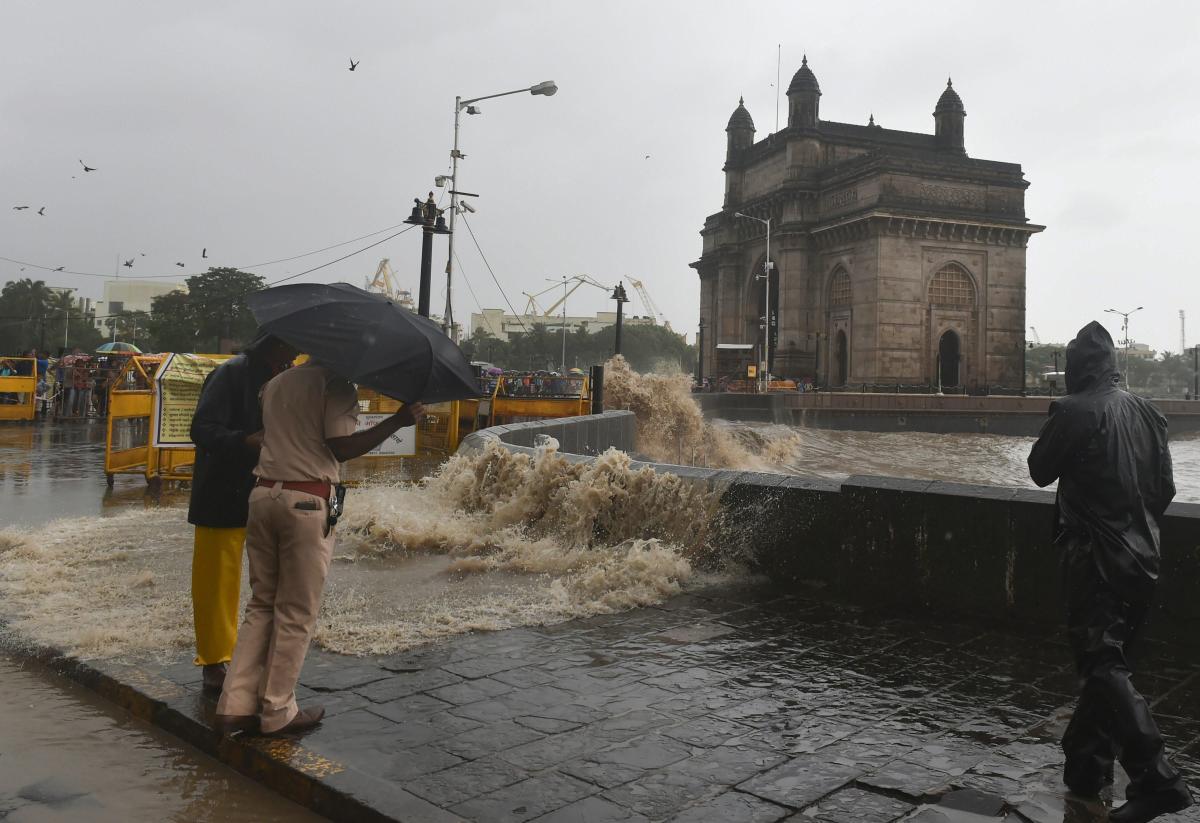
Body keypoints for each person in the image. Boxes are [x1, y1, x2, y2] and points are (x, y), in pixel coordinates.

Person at [1028, 321, 1193, 823]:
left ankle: (1156, 778)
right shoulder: (1149, 412)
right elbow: (1163, 489)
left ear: (1078, 368)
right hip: (1144, 557)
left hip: (1094, 558)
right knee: (1111, 670)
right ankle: (1087, 768)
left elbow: (1039, 468)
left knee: (1102, 666)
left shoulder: (1075, 409)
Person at [215, 360, 423, 736]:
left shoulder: (276, 382)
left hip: (263, 495)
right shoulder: (337, 384)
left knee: (262, 603)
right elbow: (341, 447)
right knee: (295, 611)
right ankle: (277, 711)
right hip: (307, 502)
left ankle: (234, 705)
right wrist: (397, 421)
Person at [188, 333, 298, 692]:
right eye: (290, 349)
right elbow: (201, 429)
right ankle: (214, 661)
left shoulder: (282, 379)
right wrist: (243, 441)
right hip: (222, 490)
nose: (294, 357)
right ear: (274, 345)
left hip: (264, 488)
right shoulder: (231, 374)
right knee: (217, 580)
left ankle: (248, 651)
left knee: (266, 579)